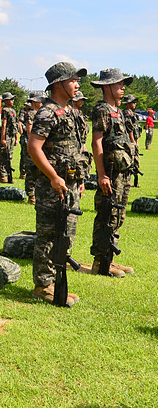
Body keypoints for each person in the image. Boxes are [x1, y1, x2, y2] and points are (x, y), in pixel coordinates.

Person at [27, 63, 86, 304]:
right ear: (58, 84)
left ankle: (54, 280)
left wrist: (79, 179)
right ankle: (43, 284)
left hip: (70, 183)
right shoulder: (47, 112)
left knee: (66, 233)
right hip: (52, 186)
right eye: (72, 80)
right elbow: (34, 146)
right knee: (49, 234)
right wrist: (52, 176)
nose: (77, 84)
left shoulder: (71, 112)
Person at [89, 69, 135, 277]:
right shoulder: (102, 110)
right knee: (107, 214)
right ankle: (101, 261)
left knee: (118, 215)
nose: (123, 87)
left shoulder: (119, 111)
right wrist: (101, 175)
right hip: (110, 173)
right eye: (119, 84)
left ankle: (110, 258)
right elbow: (97, 141)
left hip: (122, 173)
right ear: (107, 87)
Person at [22, 92, 44, 204]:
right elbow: (29, 131)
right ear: (35, 102)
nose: (42, 102)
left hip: (39, 145)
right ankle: (31, 195)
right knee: (31, 170)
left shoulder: (41, 113)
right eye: (40, 100)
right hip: (31, 144)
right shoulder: (30, 114)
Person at [121, 94, 142, 187]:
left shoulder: (133, 114)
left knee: (135, 162)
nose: (135, 103)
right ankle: (128, 180)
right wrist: (133, 142)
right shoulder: (126, 114)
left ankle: (135, 181)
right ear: (128, 103)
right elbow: (129, 129)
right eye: (133, 102)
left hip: (134, 141)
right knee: (129, 161)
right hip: (129, 142)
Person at [0, 92, 18, 183]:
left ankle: (9, 174)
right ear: (6, 101)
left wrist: (16, 138)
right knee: (3, 156)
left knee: (9, 156)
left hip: (12, 136)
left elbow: (16, 125)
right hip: (6, 136)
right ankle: (3, 176)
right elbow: (4, 125)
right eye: (11, 99)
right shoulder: (5, 110)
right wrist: (3, 139)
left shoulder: (13, 111)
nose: (13, 100)